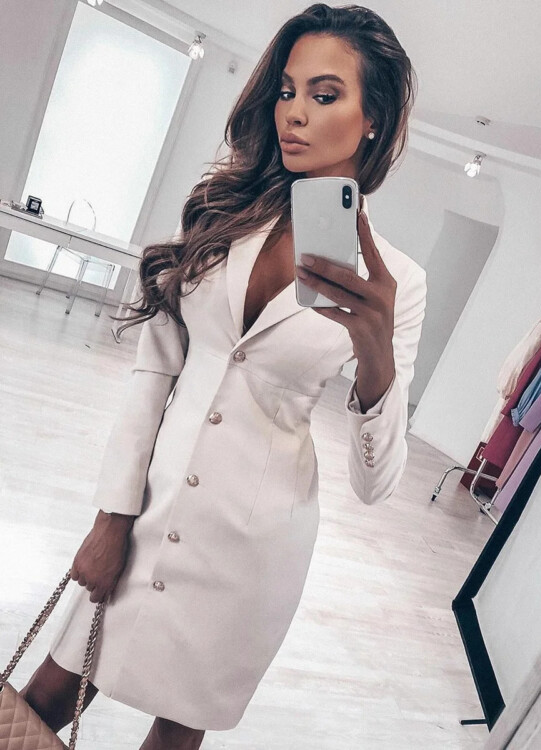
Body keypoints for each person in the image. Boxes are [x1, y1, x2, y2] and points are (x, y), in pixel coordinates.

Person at [19, 4, 426, 748]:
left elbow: (376, 485)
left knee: (174, 740)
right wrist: (112, 517)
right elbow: (155, 370)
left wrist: (376, 356)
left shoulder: (398, 280)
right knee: (42, 700)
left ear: (374, 118)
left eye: (325, 95)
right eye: (287, 90)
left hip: (253, 552)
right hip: (147, 512)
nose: (294, 112)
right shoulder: (220, 212)